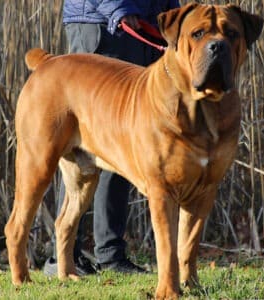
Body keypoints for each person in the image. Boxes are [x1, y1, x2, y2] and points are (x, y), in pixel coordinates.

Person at [44, 0, 179, 276]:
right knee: (78, 140)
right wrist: (118, 9)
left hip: (143, 25)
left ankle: (111, 255)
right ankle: (63, 257)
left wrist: (171, 20)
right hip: (102, 25)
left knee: (124, 138)